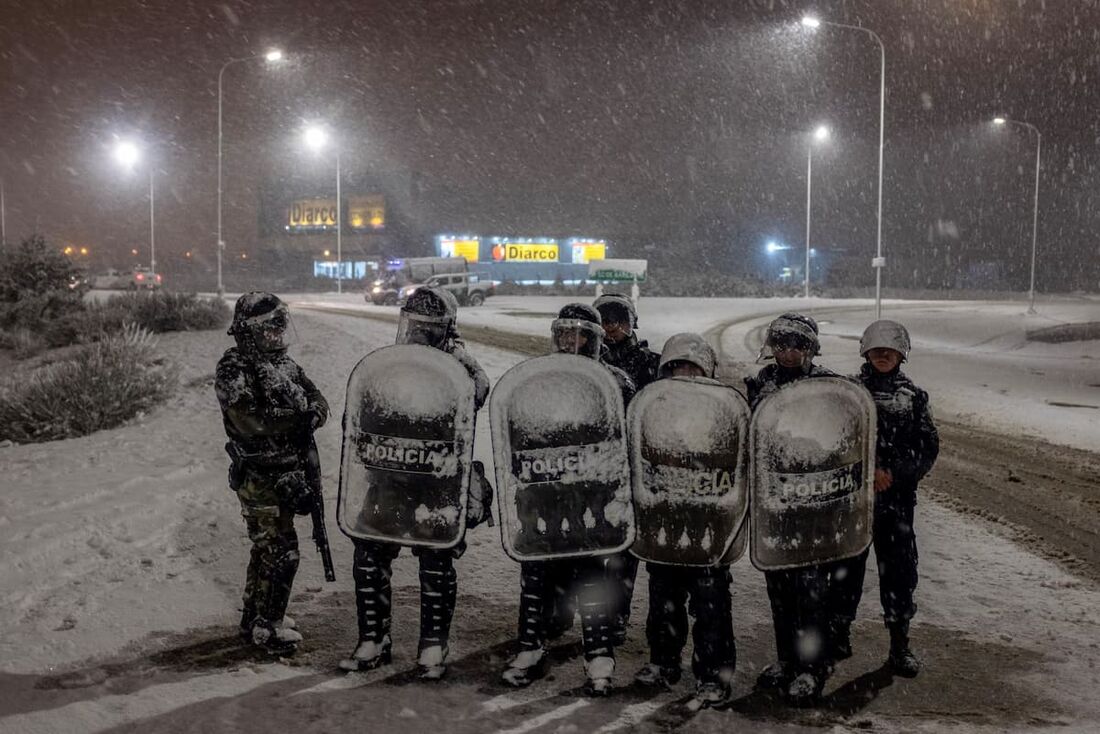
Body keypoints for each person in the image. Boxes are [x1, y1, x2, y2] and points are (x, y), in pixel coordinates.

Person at [339, 287, 490, 680]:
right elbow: (361, 412)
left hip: (437, 482)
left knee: (436, 564)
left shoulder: (458, 364)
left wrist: (452, 360)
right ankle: (374, 638)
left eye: (429, 329)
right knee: (370, 557)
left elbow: (479, 390)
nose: (420, 335)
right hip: (387, 477)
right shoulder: (390, 363)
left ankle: (433, 645)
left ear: (446, 329)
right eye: (415, 327)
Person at [501, 303, 635, 696]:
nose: (571, 342)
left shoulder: (615, 383)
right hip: (548, 495)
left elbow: (625, 443)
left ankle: (599, 655)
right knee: (537, 574)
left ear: (593, 340)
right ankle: (530, 647)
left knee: (593, 576)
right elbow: (520, 433)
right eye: (564, 334)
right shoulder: (538, 380)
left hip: (593, 498)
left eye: (580, 335)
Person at [215, 292, 329, 655]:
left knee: (267, 550)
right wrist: (296, 420)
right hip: (258, 476)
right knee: (281, 552)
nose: (278, 336)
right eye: (270, 329)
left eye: (281, 327)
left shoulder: (284, 365)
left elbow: (318, 400)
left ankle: (256, 616)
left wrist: (311, 415)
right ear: (251, 332)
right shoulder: (235, 366)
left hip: (287, 473)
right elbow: (246, 419)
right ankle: (269, 626)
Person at [829, 320, 939, 677]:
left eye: (889, 351)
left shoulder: (914, 398)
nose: (882, 356)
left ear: (901, 354)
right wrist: (866, 471)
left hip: (896, 504)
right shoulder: (849, 392)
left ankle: (899, 645)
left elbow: (926, 449)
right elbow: (836, 442)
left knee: (900, 576)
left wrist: (894, 473)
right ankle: (838, 635)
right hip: (853, 502)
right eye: (876, 350)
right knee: (845, 573)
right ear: (865, 351)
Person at [634, 333, 737, 708]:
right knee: (664, 598)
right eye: (677, 366)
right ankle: (663, 662)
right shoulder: (653, 408)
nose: (685, 373)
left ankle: (714, 675)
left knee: (711, 603)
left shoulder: (723, 411)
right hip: (665, 519)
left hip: (708, 524)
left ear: (707, 370)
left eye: (692, 366)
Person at [744, 312, 842, 704]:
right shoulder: (759, 384)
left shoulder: (830, 386)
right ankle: (787, 660)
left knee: (813, 593)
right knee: (780, 590)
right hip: (776, 506)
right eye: (781, 344)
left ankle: (811, 669)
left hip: (815, 506)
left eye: (797, 345)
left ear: (810, 348)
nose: (788, 352)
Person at [590, 293, 660, 646]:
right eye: (605, 320)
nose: (612, 328)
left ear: (632, 324)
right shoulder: (584, 360)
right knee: (584, 542)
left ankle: (615, 615)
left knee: (623, 548)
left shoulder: (651, 364)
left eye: (619, 320)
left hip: (632, 467)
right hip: (590, 466)